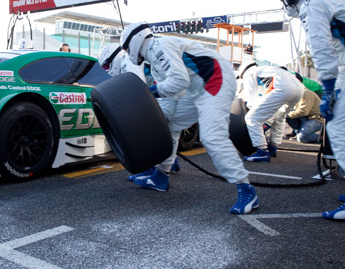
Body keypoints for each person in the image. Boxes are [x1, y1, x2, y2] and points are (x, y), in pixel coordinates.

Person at [120, 22, 259, 214]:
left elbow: (179, 81)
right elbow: (174, 91)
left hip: (214, 79)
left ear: (134, 41)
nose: (128, 53)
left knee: (212, 137)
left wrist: (152, 92)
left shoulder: (159, 47)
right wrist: (161, 113)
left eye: (127, 48)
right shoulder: (154, 58)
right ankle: (161, 175)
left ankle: (246, 190)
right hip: (198, 88)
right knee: (171, 124)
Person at [280, 0, 345, 220]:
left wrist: (328, 87)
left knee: (339, 132)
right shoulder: (327, 2)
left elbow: (321, 46)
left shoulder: (313, 7)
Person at [97, 43, 183, 177]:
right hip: (168, 94)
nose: (107, 70)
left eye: (107, 66)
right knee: (167, 130)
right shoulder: (130, 62)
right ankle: (171, 161)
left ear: (115, 58)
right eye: (104, 68)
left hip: (171, 93)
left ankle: (155, 170)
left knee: (157, 130)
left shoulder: (128, 63)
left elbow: (140, 90)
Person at [239, 64, 304, 162]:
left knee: (252, 118)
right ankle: (273, 147)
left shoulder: (249, 74)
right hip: (299, 89)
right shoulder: (267, 70)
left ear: (243, 73)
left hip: (284, 88)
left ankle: (262, 152)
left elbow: (251, 100)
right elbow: (268, 93)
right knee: (280, 117)